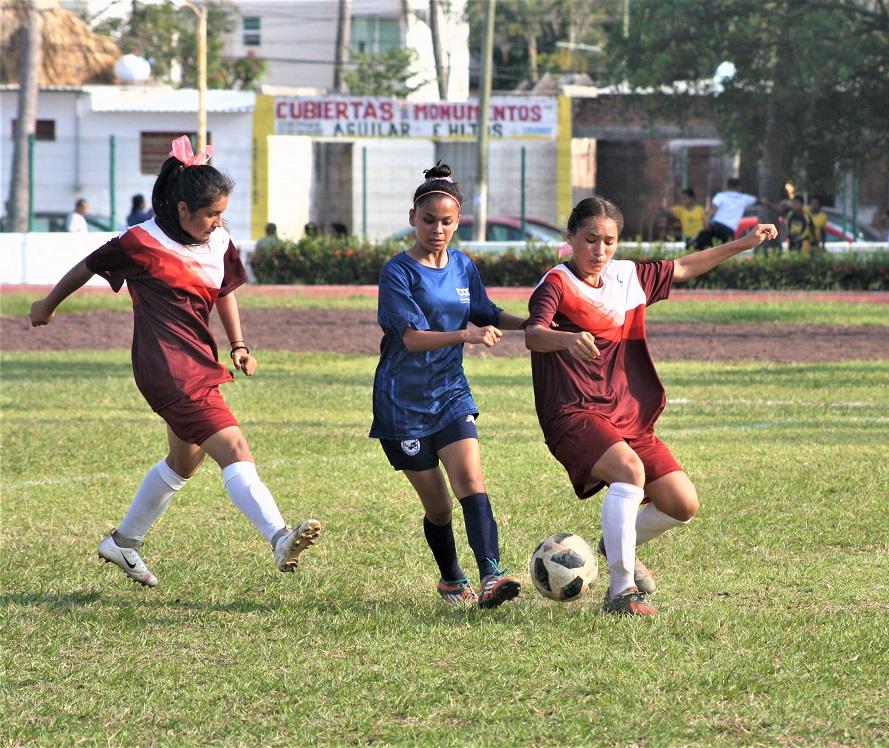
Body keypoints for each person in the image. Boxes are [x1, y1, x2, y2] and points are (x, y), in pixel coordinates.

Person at [28, 135, 321, 588]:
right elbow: (87, 265)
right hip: (166, 366)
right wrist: (47, 304)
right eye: (211, 214)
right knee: (234, 448)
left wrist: (238, 344)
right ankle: (279, 536)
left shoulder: (217, 240)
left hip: (198, 361)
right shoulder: (140, 242)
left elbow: (225, 290)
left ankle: (124, 542)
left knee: (185, 460)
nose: (218, 221)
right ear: (183, 209)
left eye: (222, 213)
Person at [523, 196, 778, 616]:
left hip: (626, 414)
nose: (599, 250)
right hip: (572, 411)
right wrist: (567, 339)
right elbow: (534, 334)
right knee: (630, 473)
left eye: (609, 241)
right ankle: (621, 592)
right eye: (590, 240)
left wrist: (743, 243)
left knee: (682, 503)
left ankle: (614, 542)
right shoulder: (557, 283)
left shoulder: (628, 276)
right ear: (571, 238)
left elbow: (684, 266)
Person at [369, 163, 525, 609]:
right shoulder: (398, 272)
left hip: (451, 393)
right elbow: (413, 338)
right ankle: (451, 578)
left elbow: (488, 313)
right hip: (402, 405)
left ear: (458, 222)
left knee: (471, 481)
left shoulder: (462, 266)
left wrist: (534, 324)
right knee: (438, 508)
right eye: (429, 220)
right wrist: (466, 335)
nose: (437, 229)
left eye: (447, 222)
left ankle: (492, 576)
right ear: (412, 218)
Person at [691, 177, 758, 249]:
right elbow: (760, 201)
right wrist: (770, 205)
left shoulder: (720, 196)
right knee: (723, 252)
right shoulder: (745, 198)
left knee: (702, 244)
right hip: (728, 230)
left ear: (727, 186)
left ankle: (693, 249)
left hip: (715, 225)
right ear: (739, 187)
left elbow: (712, 210)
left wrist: (706, 222)